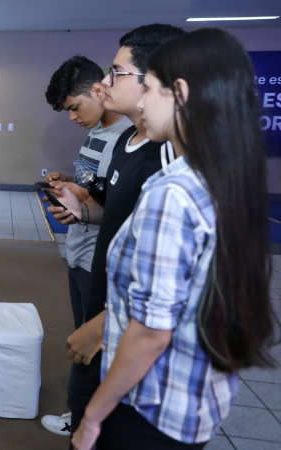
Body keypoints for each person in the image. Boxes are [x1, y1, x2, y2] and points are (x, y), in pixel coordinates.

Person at [71, 28, 275, 450]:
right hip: (195, 403)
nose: (141, 102)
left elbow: (151, 332)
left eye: (148, 88)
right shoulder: (222, 177)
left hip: (149, 408)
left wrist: (92, 418)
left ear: (178, 91)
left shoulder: (173, 192)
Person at [44, 24, 186, 442]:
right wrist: (82, 206)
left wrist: (104, 325)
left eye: (116, 73)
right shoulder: (128, 137)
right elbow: (115, 214)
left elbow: (161, 297)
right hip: (110, 296)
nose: (105, 85)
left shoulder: (171, 167)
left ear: (159, 83)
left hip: (129, 324)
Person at [39, 55, 132, 436]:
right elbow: (95, 186)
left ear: (98, 89)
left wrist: (82, 201)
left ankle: (90, 421)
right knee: (83, 336)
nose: (73, 117)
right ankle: (82, 414)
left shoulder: (128, 138)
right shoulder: (97, 129)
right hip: (78, 251)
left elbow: (118, 205)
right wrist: (72, 185)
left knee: (98, 345)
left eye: (75, 108)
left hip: (101, 258)